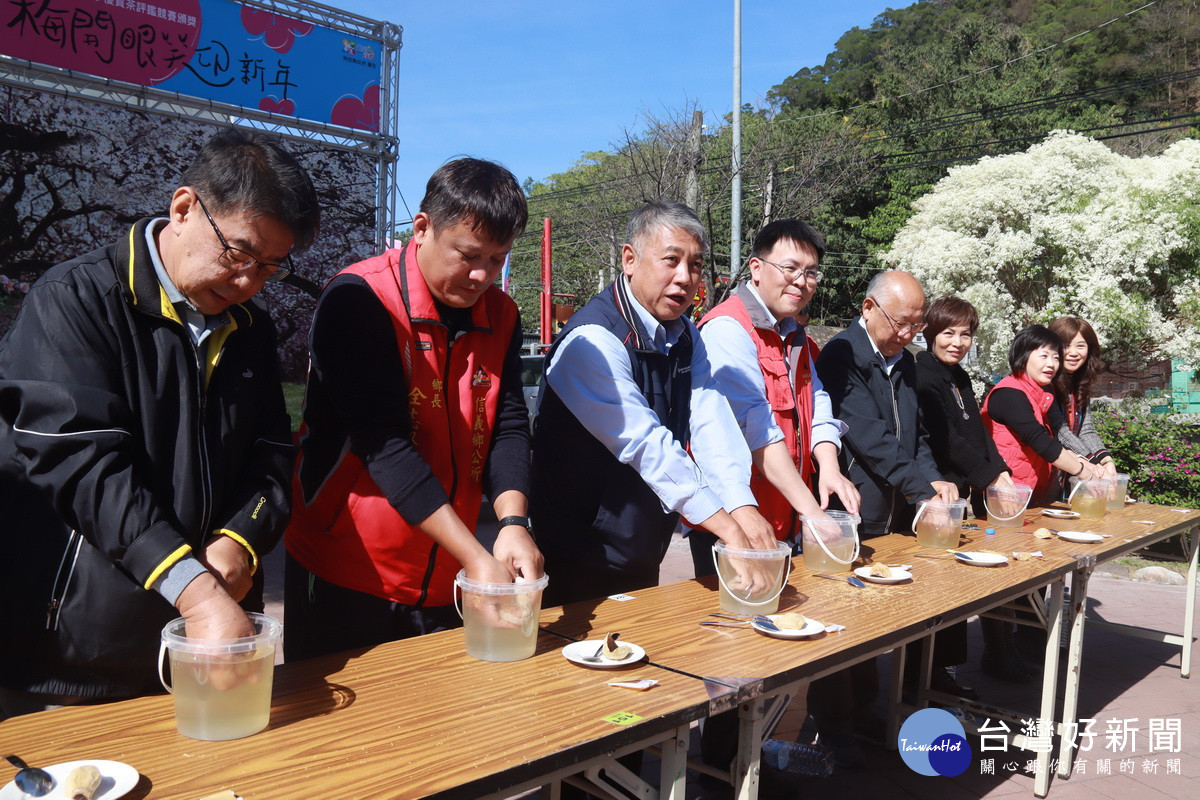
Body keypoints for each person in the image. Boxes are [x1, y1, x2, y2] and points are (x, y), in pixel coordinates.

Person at [0, 129, 320, 716]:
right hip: (69, 655)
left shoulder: (249, 328)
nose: (250, 281)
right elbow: (82, 464)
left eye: (271, 266)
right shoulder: (75, 299)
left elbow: (273, 453)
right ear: (183, 208)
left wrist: (239, 542)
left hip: (192, 649)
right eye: (240, 253)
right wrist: (197, 594)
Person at [284, 158, 542, 661]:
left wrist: (513, 523)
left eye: (497, 259)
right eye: (467, 254)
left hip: (448, 571)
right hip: (348, 567)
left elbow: (508, 423)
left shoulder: (502, 314)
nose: (480, 275)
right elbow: (383, 444)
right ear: (421, 228)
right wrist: (475, 555)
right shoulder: (359, 299)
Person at [532, 201, 778, 609]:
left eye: (696, 265)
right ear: (630, 260)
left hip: (642, 542)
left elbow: (709, 420)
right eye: (671, 260)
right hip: (579, 552)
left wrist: (741, 504)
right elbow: (647, 445)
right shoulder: (591, 341)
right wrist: (728, 528)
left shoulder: (684, 335)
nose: (685, 278)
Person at [809, 270, 959, 767]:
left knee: (875, 620)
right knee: (841, 620)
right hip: (853, 508)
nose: (910, 333)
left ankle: (866, 712)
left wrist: (931, 481)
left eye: (918, 323)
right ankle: (832, 725)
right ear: (870, 307)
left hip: (895, 509)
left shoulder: (910, 364)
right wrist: (920, 491)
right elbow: (868, 436)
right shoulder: (841, 354)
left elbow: (915, 439)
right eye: (902, 322)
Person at [692, 219, 859, 575]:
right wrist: (812, 511)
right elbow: (755, 426)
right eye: (790, 268)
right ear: (756, 268)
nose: (801, 281)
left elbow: (817, 402)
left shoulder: (795, 334)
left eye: (811, 272)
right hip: (737, 520)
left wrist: (828, 466)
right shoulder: (728, 329)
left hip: (786, 512)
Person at [914, 297, 1033, 685]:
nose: (957, 341)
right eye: (948, 332)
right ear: (929, 332)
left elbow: (977, 433)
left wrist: (1000, 472)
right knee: (937, 586)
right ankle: (929, 678)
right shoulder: (923, 373)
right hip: (935, 495)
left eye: (965, 334)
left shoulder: (960, 376)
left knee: (957, 585)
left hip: (963, 495)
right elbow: (947, 440)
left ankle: (950, 671)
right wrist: (991, 477)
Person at [982, 325, 1104, 507]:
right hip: (1004, 495)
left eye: (1056, 358)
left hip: (1026, 493)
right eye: (1044, 356)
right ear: (1023, 358)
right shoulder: (1009, 393)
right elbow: (1040, 441)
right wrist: (1082, 471)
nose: (1051, 364)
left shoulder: (1040, 393)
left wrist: (1077, 457)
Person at [1049, 316, 1117, 487]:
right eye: (1065, 345)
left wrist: (1106, 460)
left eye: (1080, 346)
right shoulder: (1046, 383)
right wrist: (1092, 461)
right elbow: (1061, 432)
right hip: (1044, 472)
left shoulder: (1078, 384)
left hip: (1069, 474)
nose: (1073, 352)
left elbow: (1085, 429)